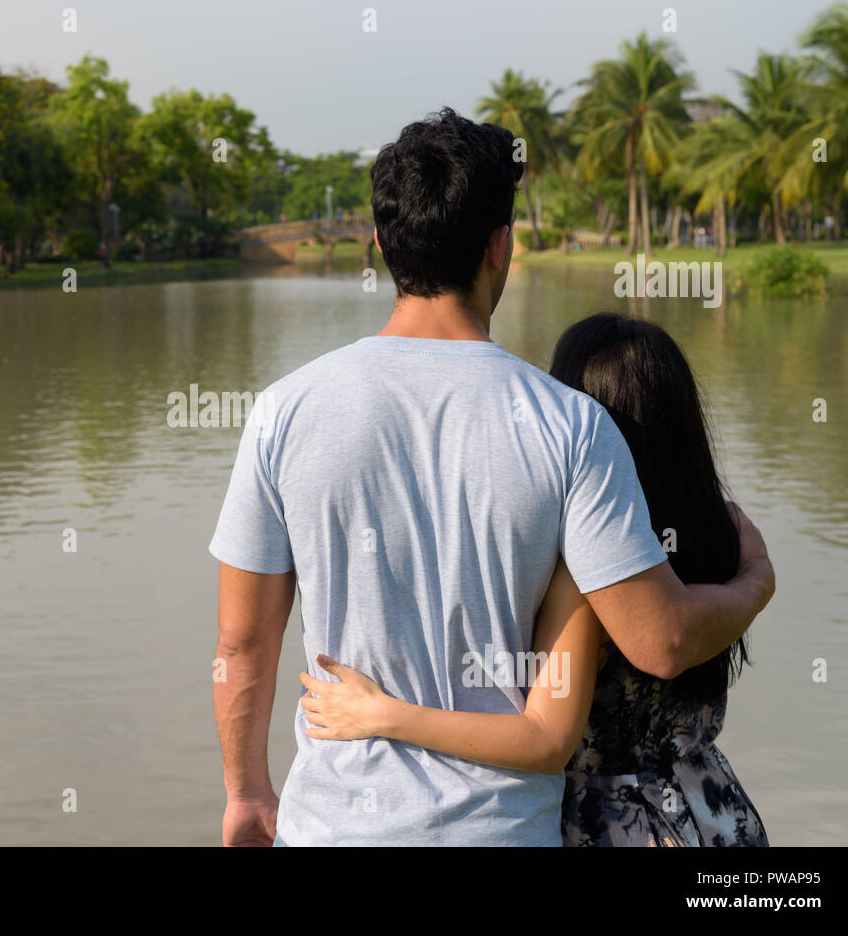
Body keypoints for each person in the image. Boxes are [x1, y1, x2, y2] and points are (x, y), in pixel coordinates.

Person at [209, 109, 774, 846]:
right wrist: (755, 581)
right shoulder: (571, 426)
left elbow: (241, 645)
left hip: (331, 827)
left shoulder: (284, 411)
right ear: (499, 247)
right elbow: (659, 639)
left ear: (379, 243)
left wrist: (248, 791)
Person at [300, 313, 768, 846]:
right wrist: (755, 582)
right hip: (712, 809)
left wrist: (384, 714)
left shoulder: (588, 569)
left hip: (607, 824)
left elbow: (548, 736)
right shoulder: (720, 533)